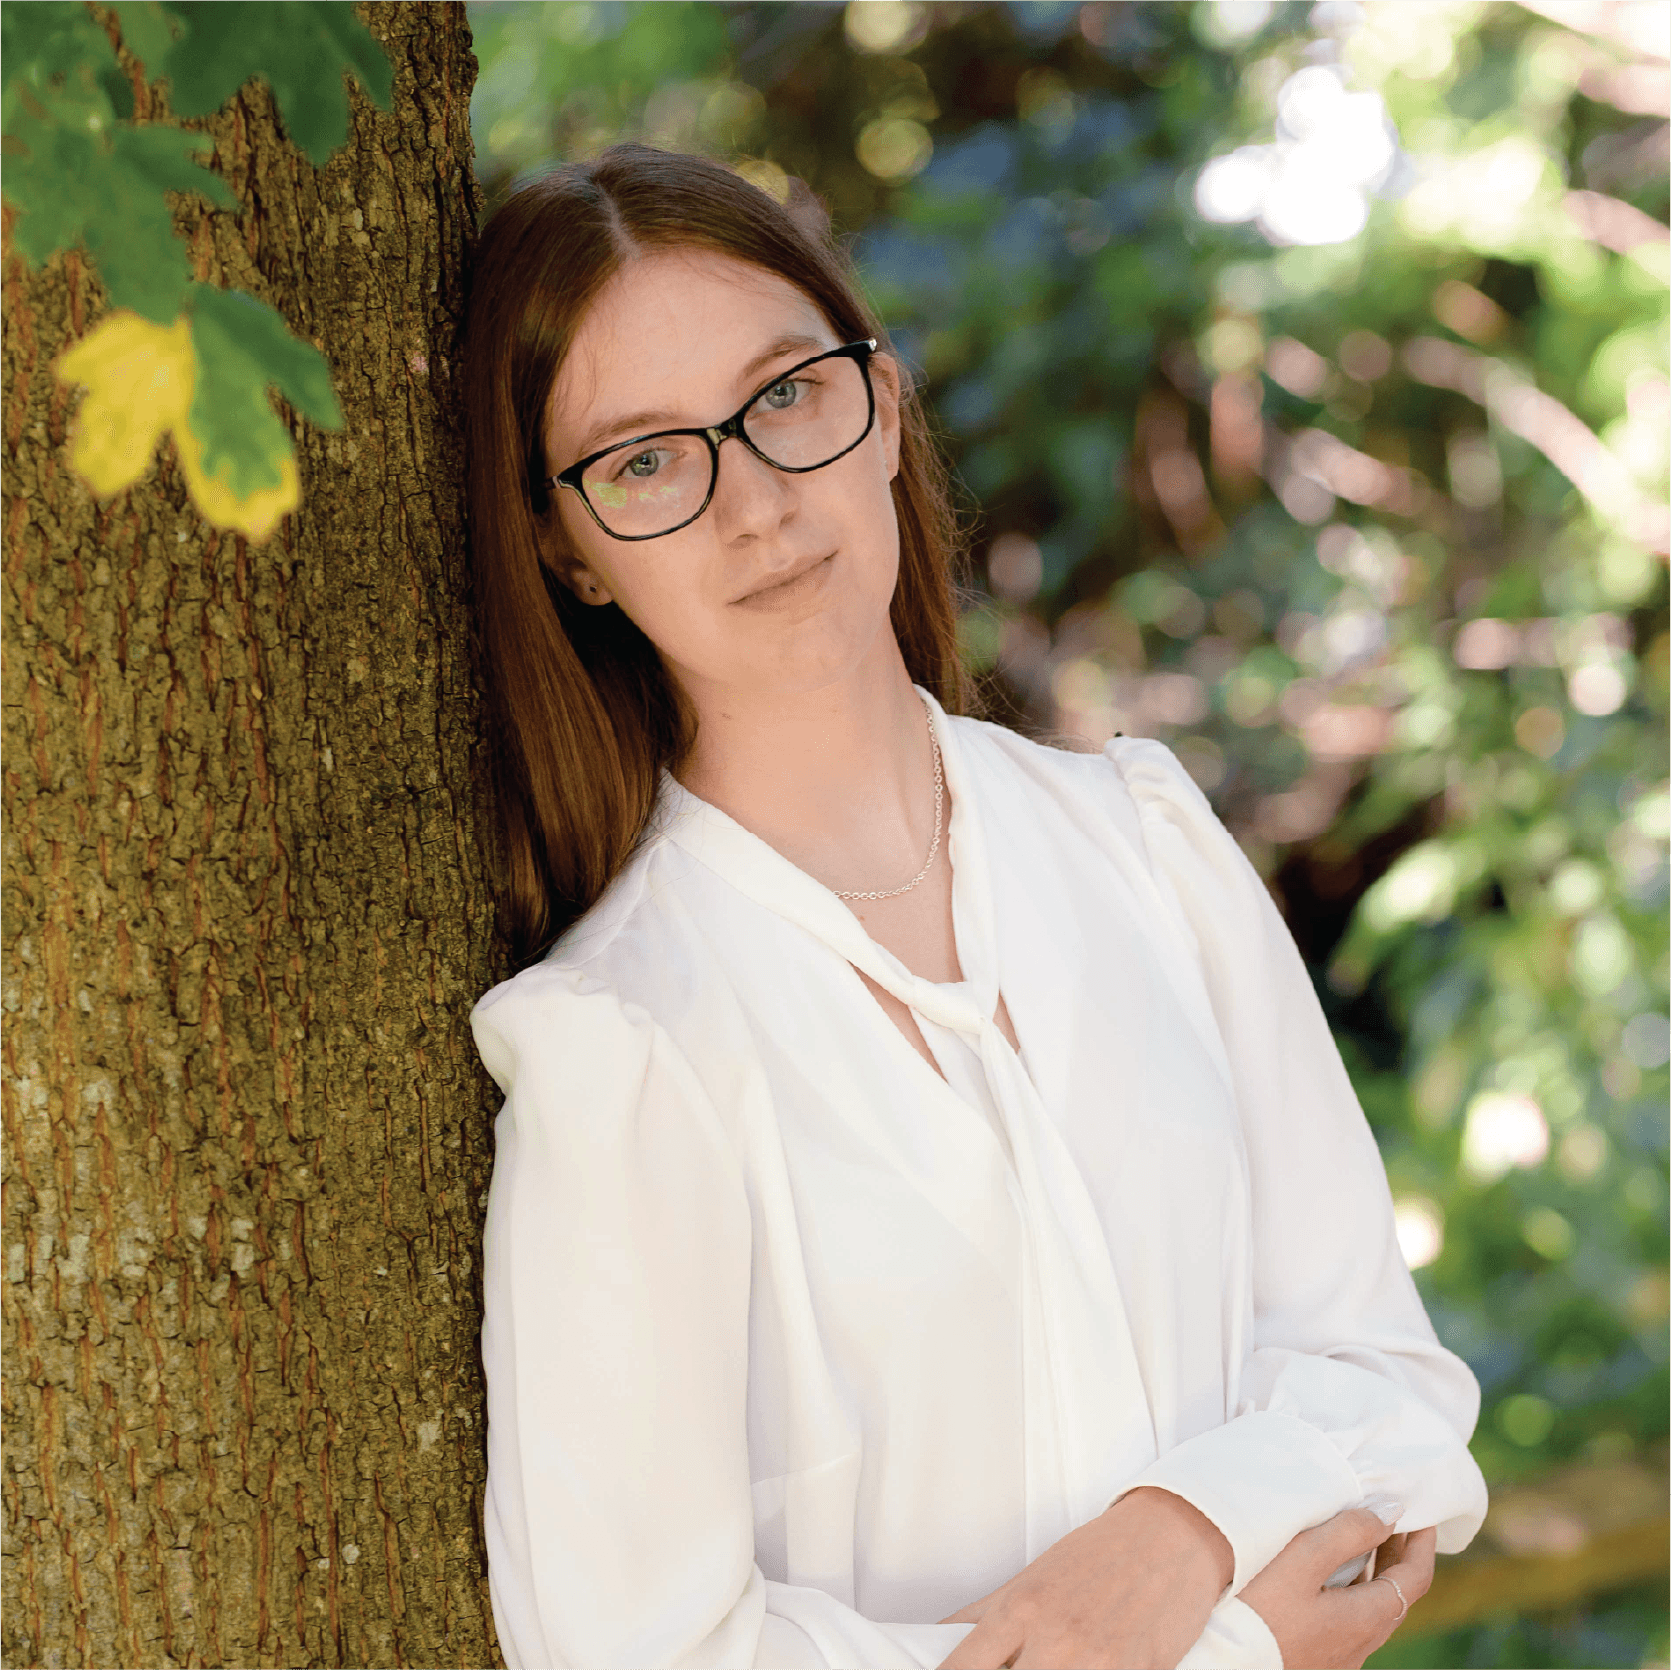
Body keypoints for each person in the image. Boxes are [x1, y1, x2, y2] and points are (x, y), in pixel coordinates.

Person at [459, 142, 1488, 1670]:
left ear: (878, 408)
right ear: (570, 551)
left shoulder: (1143, 845)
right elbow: (649, 1652)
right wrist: (1222, 1650)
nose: (755, 502)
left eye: (786, 397)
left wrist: (1180, 1527)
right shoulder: (625, 1048)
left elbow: (1395, 1398)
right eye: (648, 459)